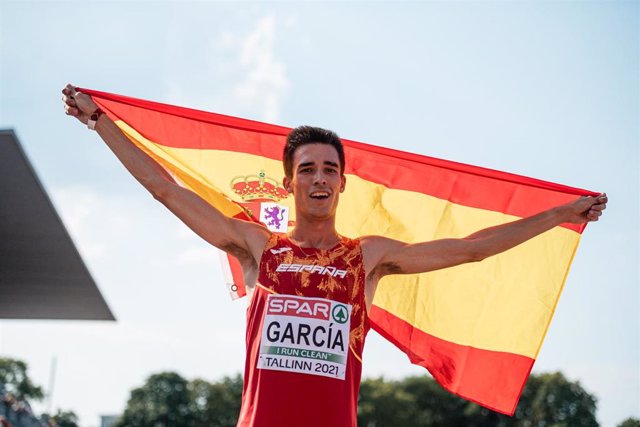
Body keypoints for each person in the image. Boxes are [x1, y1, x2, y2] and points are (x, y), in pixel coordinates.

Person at [62, 84, 607, 427]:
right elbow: (167, 191)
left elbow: (468, 250)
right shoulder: (259, 247)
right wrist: (99, 121)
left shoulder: (367, 258)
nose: (318, 178)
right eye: (307, 169)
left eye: (328, 170)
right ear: (288, 182)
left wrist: (558, 215)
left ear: (343, 183)